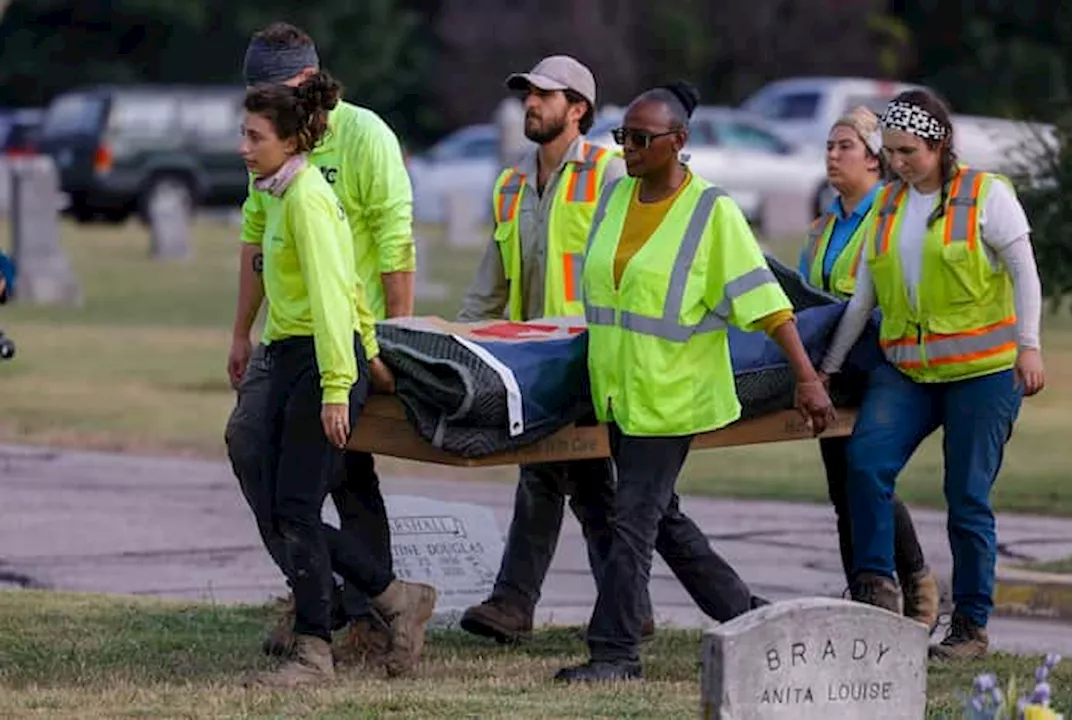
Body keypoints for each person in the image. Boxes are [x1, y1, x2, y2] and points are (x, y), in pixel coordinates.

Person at [554, 81, 837, 683]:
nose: (626, 148)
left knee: (632, 521)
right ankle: (746, 616)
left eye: (639, 138)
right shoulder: (613, 199)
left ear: (678, 142)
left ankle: (615, 654)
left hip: (673, 396)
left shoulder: (713, 213)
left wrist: (807, 379)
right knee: (663, 519)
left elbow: (765, 303)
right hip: (620, 391)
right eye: (621, 136)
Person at [817, 89, 1046, 660]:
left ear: (938, 143)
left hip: (982, 373)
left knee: (966, 497)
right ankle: (876, 591)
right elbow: (864, 297)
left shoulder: (985, 196)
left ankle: (970, 626)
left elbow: (1025, 274)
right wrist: (826, 368)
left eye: (908, 151)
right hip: (909, 371)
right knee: (864, 463)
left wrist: (1030, 347)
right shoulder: (889, 206)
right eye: (890, 151)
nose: (897, 163)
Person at [236, 73, 437, 686]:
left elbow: (332, 300)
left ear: (292, 139)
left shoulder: (306, 200)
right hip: (296, 352)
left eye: (254, 137)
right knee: (285, 508)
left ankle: (314, 653)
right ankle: (397, 597)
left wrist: (337, 384)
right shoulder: (277, 193)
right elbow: (347, 287)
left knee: (296, 509)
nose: (243, 148)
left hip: (320, 363)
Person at [455, 55, 640, 645]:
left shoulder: (612, 175)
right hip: (534, 362)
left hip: (591, 356)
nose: (529, 104)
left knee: (553, 476)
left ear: (578, 109)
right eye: (527, 94)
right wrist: (459, 343)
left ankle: (516, 603)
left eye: (544, 95)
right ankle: (622, 606)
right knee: (584, 485)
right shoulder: (511, 182)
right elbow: (492, 279)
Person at [798, 108, 939, 629]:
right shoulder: (821, 226)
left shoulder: (896, 216)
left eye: (845, 147)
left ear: (876, 160)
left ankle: (912, 582)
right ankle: (867, 590)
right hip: (831, 366)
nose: (832, 156)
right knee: (844, 485)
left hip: (880, 361)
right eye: (829, 147)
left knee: (865, 474)